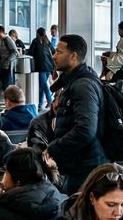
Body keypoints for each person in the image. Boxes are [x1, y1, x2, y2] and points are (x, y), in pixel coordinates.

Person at [45, 34, 107, 194]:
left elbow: (85, 129)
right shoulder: (74, 82)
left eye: (59, 52)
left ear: (73, 56)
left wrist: (54, 148)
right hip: (77, 165)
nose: (54, 55)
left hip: (85, 169)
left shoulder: (83, 86)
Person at [28, 27, 55, 110]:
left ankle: (50, 102)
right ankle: (40, 104)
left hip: (41, 67)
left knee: (43, 85)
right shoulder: (47, 41)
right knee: (41, 85)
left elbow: (30, 52)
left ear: (37, 33)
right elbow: (53, 51)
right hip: (49, 66)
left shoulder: (35, 41)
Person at [0, 25, 19, 99]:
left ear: (0, 31)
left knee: (6, 85)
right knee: (3, 85)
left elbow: (15, 52)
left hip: (7, 67)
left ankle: (8, 101)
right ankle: (5, 101)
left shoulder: (8, 39)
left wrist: (7, 60)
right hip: (1, 66)